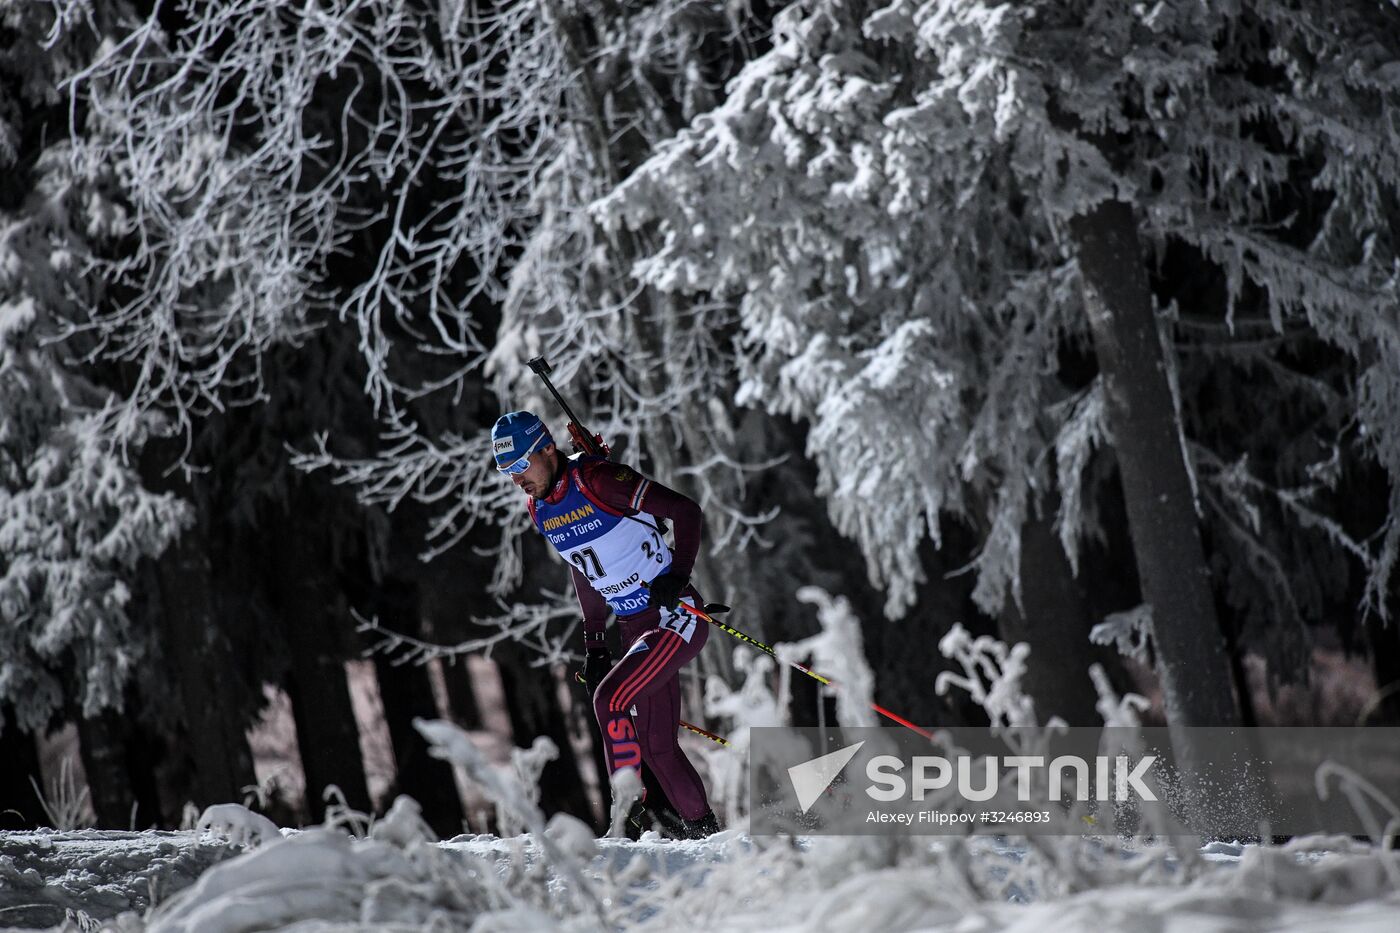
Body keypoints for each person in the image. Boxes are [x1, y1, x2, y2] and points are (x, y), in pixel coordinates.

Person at [490, 410, 720, 838]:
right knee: (656, 748)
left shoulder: (595, 479)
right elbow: (584, 569)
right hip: (637, 629)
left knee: (609, 699)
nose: (517, 478)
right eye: (507, 470)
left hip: (675, 618)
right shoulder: (540, 508)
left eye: (521, 464)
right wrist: (595, 642)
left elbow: (685, 512)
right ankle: (708, 837)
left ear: (546, 448)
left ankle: (623, 829)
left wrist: (678, 574)